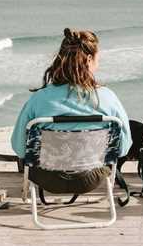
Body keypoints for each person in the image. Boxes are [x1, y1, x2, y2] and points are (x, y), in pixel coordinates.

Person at [11, 28, 132, 194]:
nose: (99, 63)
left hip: (47, 179)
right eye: (98, 58)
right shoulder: (108, 98)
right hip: (91, 179)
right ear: (89, 59)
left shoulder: (39, 99)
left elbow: (19, 147)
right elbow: (124, 148)